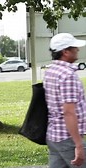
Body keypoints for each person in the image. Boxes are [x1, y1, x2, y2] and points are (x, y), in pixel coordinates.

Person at [43, 33, 86, 167]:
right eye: (74, 48)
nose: (77, 50)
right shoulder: (67, 76)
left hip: (53, 136)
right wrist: (78, 145)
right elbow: (68, 112)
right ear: (65, 51)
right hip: (68, 138)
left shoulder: (50, 71)